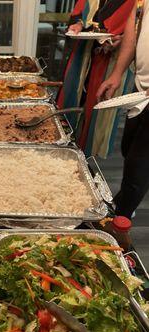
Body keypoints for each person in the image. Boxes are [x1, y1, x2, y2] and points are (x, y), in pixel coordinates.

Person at [57, 0, 135, 158]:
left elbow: (138, 26)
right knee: (71, 96)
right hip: (84, 50)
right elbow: (81, 10)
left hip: (113, 56)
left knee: (98, 107)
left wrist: (125, 37)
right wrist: (78, 24)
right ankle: (60, 142)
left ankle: (84, 156)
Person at [97, 1, 148, 219]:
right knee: (128, 148)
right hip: (141, 86)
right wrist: (117, 73)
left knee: (140, 162)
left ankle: (119, 221)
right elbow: (133, 31)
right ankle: (126, 200)